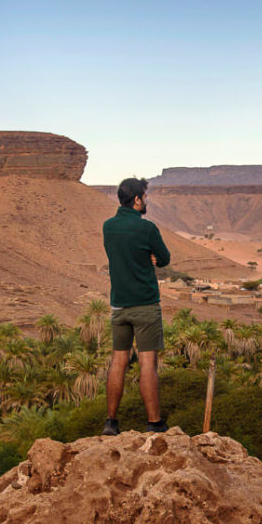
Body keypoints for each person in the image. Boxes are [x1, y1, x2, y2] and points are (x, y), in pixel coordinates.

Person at [101, 177, 171, 435]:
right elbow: (164, 258)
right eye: (145, 196)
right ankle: (154, 423)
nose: (147, 201)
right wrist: (149, 257)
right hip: (145, 305)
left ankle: (111, 422)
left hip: (119, 306)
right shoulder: (147, 228)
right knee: (147, 364)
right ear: (137, 199)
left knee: (118, 361)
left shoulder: (108, 227)